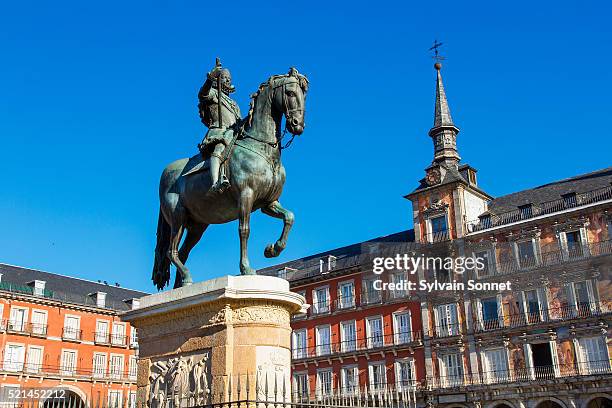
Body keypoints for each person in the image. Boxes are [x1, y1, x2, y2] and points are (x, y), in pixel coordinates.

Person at [197, 58, 241, 193]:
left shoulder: (234, 104)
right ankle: (215, 182)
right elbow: (202, 94)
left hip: (234, 134)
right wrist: (210, 77)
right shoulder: (214, 94)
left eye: (229, 78)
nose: (228, 80)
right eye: (224, 78)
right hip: (219, 132)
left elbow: (238, 121)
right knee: (219, 148)